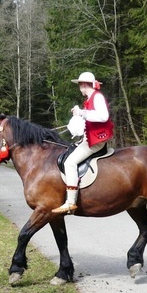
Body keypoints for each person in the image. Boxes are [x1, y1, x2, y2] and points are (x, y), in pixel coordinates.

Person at [52, 72, 114, 214]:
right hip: (90, 138)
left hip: (96, 141)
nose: (79, 88)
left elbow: (103, 116)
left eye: (80, 85)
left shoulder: (97, 97)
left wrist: (82, 113)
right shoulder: (91, 98)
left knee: (70, 163)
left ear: (84, 85)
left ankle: (70, 202)